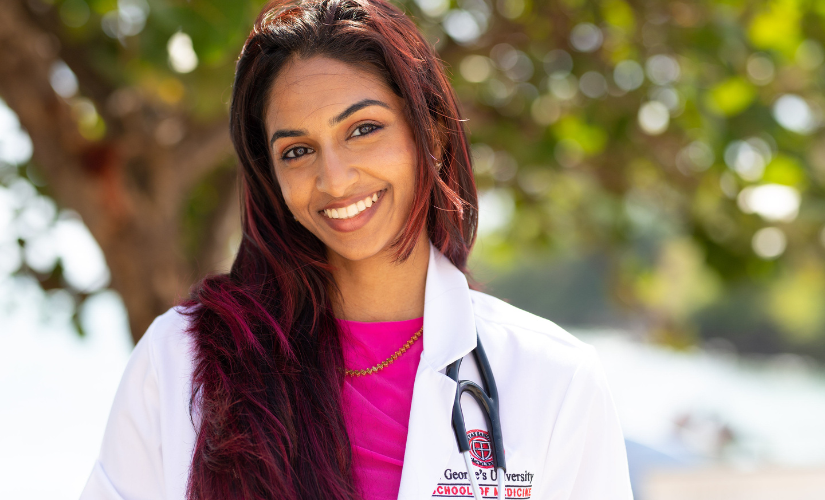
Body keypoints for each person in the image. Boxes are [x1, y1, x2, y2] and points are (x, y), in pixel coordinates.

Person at [80, 0, 632, 499]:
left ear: (431, 134)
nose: (336, 180)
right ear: (270, 177)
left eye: (363, 128)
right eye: (297, 151)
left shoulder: (554, 379)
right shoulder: (181, 359)